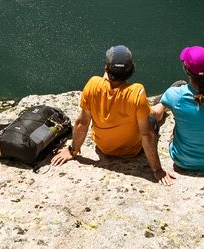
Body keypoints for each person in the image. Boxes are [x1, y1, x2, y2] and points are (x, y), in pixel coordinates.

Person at [51, 45, 173, 184]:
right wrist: (157, 170)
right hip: (131, 150)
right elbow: (147, 134)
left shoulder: (92, 85)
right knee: (153, 115)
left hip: (104, 147)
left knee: (140, 111)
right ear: (132, 70)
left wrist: (72, 150)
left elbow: (82, 123)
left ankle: (160, 102)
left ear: (106, 69)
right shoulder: (136, 92)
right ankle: (164, 101)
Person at [152, 45, 204, 173]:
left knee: (176, 112)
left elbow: (154, 114)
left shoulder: (174, 94)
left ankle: (164, 99)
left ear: (186, 70)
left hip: (182, 160)